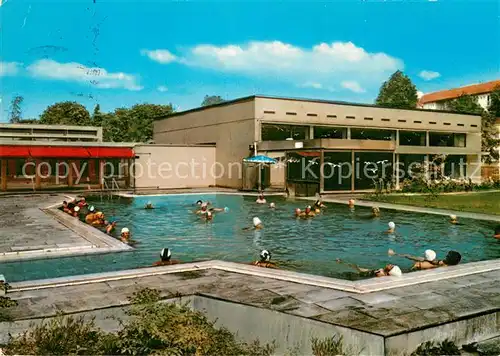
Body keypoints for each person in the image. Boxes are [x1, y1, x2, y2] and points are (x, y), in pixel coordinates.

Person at [337, 259, 402, 277]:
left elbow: (372, 273)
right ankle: (342, 262)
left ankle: (341, 262)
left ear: (390, 271)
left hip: (359, 275)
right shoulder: (382, 271)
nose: (390, 264)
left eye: (391, 266)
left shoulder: (380, 273)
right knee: (353, 266)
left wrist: (358, 269)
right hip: (363, 273)